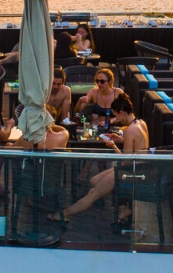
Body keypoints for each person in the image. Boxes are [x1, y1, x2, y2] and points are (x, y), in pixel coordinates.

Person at [55, 95, 147, 224]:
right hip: (139, 167)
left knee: (93, 193)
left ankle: (64, 214)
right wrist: (120, 139)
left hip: (131, 171)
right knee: (94, 181)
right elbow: (137, 144)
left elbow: (125, 161)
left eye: (117, 116)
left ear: (121, 112)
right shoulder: (141, 123)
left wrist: (113, 146)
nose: (118, 120)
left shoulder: (130, 130)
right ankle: (123, 207)